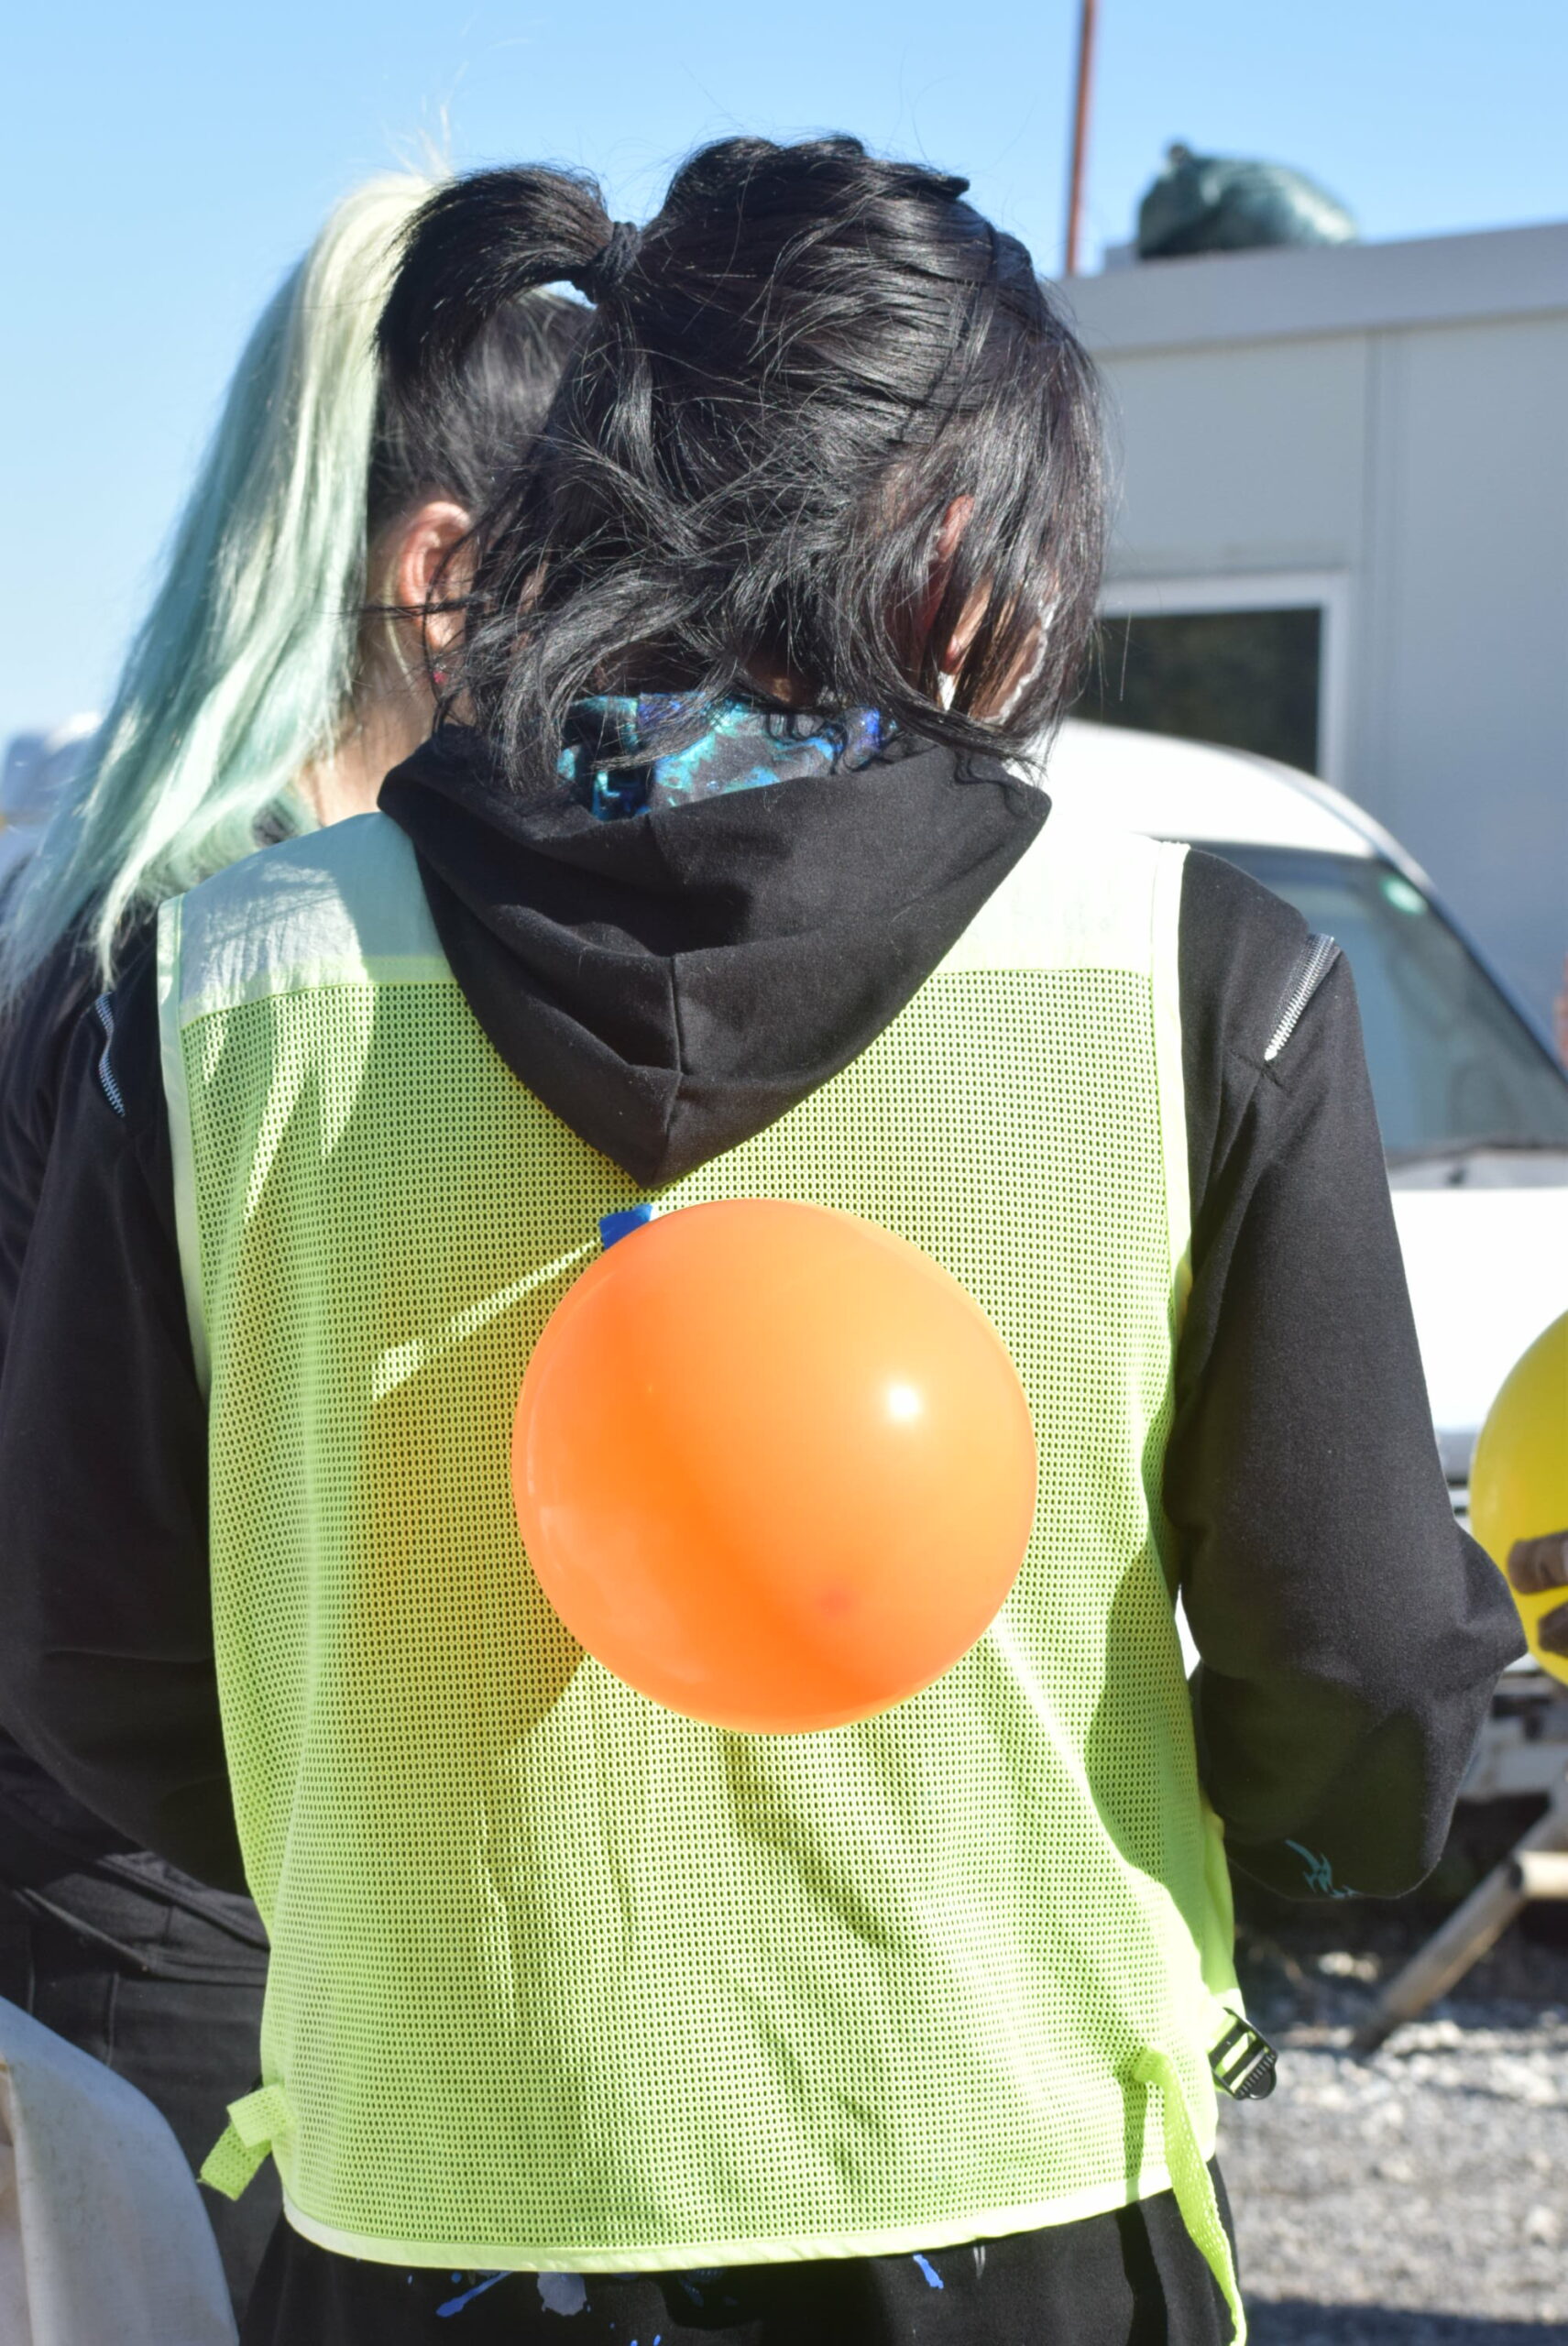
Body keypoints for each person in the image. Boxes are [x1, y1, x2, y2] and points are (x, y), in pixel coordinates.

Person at [0, 138, 1519, 2346]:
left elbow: (89, 1651)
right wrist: (1243, 1862)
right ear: (964, 550)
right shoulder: (1194, 981)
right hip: (1017, 2185)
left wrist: (394, 1878)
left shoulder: (218, 988)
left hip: (430, 2201)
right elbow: (1364, 1669)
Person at [0, 168, 585, 2316]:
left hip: (118, 1933)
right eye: (596, 585)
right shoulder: (237, 969)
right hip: (194, 1977)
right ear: (441, 575)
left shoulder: (118, 914)